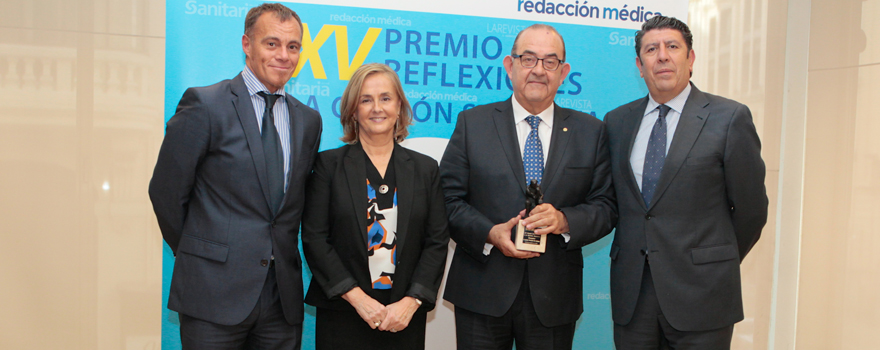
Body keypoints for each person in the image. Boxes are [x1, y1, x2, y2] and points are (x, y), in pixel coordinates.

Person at [148, 3, 321, 349]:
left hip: (281, 301)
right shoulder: (205, 104)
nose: (283, 55)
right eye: (271, 44)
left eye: (293, 46)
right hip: (212, 293)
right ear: (247, 44)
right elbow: (166, 193)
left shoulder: (308, 121)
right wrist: (202, 254)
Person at [440, 24, 617, 349]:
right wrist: (490, 232)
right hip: (482, 290)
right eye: (528, 59)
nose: (538, 70)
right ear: (510, 66)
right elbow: (447, 200)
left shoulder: (590, 132)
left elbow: (606, 206)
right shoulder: (473, 124)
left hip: (553, 297)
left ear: (563, 72)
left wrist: (565, 221)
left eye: (550, 62)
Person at [604, 16, 768, 349]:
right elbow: (613, 202)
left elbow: (751, 211)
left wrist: (710, 262)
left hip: (703, 296)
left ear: (690, 58)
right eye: (651, 49)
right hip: (633, 298)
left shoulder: (729, 118)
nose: (662, 56)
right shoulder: (617, 122)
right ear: (640, 64)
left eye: (672, 47)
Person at [301, 63, 450, 350]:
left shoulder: (425, 169)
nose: (376, 108)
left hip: (403, 318)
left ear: (399, 107)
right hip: (344, 314)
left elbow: (436, 242)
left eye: (385, 98)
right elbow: (315, 239)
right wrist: (357, 299)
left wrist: (412, 301)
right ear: (353, 111)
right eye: (365, 100)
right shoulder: (328, 166)